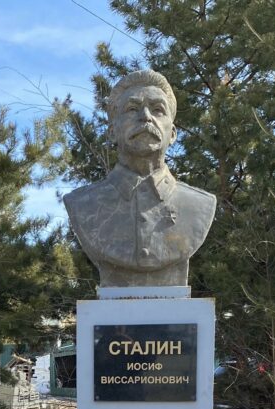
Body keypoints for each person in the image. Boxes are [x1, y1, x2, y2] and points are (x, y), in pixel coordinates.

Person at [63, 69, 216, 288]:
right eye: (132, 109)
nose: (145, 116)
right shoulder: (83, 204)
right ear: (112, 132)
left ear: (172, 134)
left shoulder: (201, 205)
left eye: (158, 110)